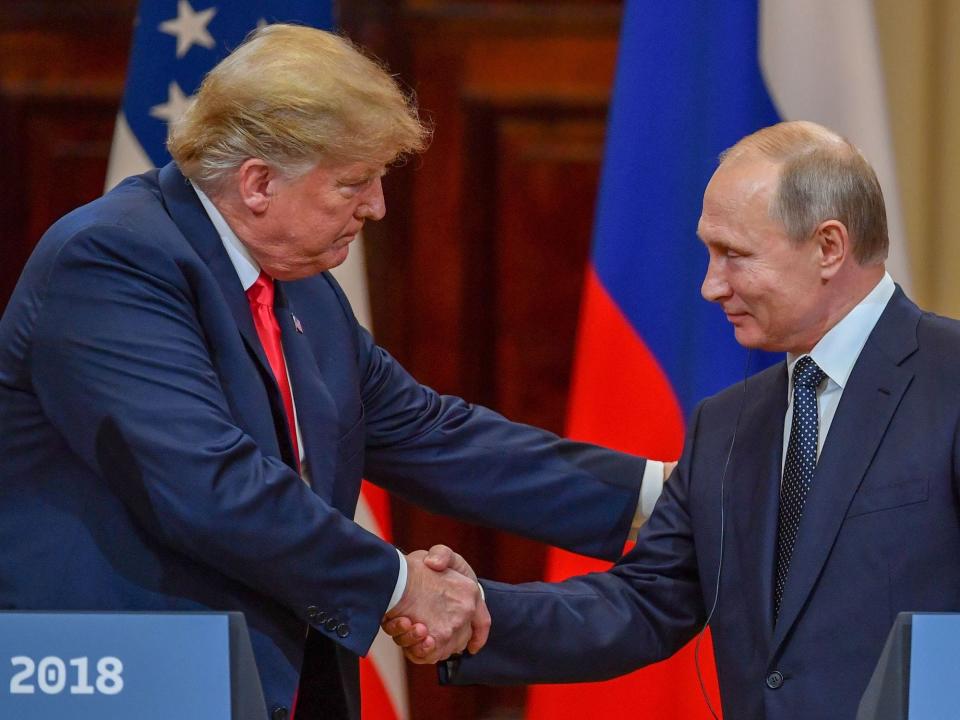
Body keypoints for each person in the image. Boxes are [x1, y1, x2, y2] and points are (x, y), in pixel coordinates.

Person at [0, 24, 671, 720]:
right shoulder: (112, 260)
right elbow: (210, 485)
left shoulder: (304, 289)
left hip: (268, 683)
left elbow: (433, 435)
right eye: (354, 182)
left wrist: (660, 495)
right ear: (257, 182)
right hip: (126, 685)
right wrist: (400, 585)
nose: (377, 206)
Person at [416, 120, 960, 719]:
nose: (709, 285)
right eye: (709, 252)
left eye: (735, 255)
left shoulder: (949, 380)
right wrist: (475, 610)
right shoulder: (730, 424)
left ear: (829, 247)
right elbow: (644, 602)